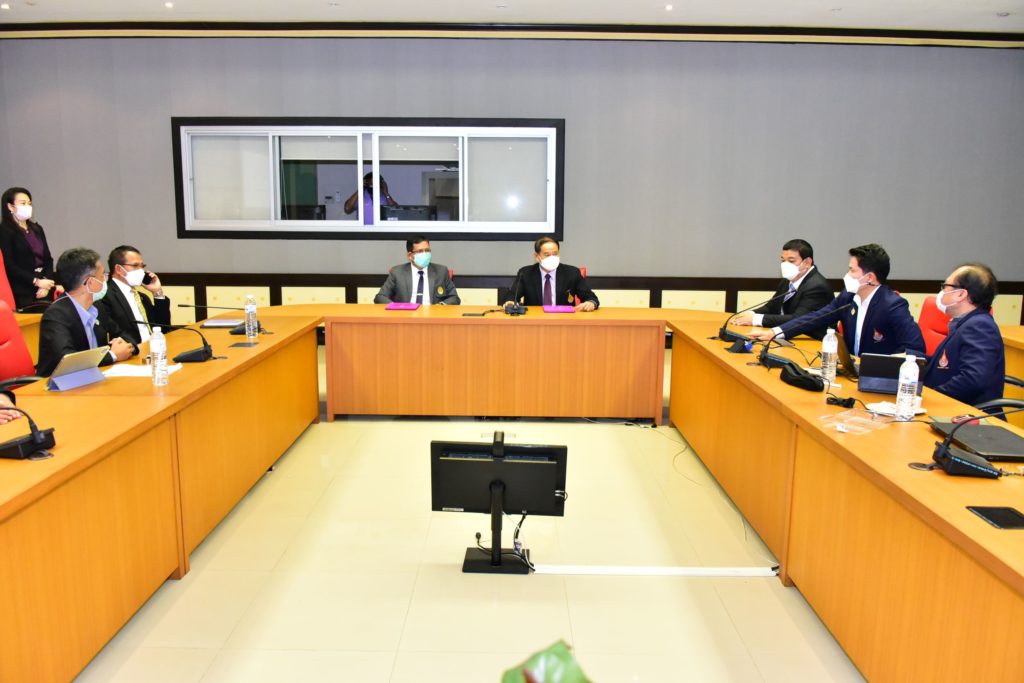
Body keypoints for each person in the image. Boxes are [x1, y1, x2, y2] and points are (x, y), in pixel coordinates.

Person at [750, 243, 925, 357]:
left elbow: (916, 349)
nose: (847, 275)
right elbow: (816, 317)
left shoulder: (892, 305)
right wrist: (776, 332)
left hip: (877, 379)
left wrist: (883, 365)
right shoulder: (848, 296)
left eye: (852, 271)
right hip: (850, 370)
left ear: (870, 277)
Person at [36, 248, 137, 376]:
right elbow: (68, 360)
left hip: (94, 378)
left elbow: (124, 334)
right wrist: (112, 355)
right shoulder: (56, 315)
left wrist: (128, 346)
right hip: (59, 384)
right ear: (90, 282)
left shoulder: (97, 307)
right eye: (102, 276)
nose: (105, 280)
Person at [921, 263, 1005, 407]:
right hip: (950, 407)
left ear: (961, 294)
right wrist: (910, 360)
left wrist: (932, 397)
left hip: (967, 414)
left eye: (945, 286)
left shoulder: (979, 326)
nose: (942, 292)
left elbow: (972, 380)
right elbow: (948, 363)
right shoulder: (966, 323)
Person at [732, 238, 834, 339]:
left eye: (791, 261)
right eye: (783, 260)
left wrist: (756, 319)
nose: (785, 265)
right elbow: (770, 307)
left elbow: (798, 319)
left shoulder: (817, 286)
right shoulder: (788, 279)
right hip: (789, 336)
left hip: (813, 341)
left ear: (807, 262)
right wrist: (750, 314)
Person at [95, 245, 172, 346]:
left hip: (153, 349)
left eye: (142, 266)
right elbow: (112, 333)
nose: (141, 271)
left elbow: (164, 328)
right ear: (118, 269)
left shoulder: (142, 297)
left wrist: (157, 292)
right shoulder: (104, 297)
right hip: (131, 351)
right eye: (135, 265)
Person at [0, 186, 57, 310]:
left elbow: (48, 259)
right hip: (23, 289)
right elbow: (9, 265)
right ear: (10, 207)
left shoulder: (37, 229)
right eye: (23, 203)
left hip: (44, 287)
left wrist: (46, 284)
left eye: (29, 203)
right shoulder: (4, 231)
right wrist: (36, 281)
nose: (27, 206)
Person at [506, 236, 599, 312]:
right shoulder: (526, 273)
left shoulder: (572, 273)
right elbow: (512, 296)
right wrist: (510, 302)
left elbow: (591, 297)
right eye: (547, 255)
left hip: (564, 321)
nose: (552, 258)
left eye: (555, 254)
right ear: (537, 257)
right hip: (535, 321)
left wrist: (591, 303)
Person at [374, 235, 460, 305]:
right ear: (410, 256)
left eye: (427, 250)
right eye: (420, 251)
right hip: (406, 316)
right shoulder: (397, 272)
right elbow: (380, 297)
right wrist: (397, 307)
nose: (425, 254)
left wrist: (441, 306)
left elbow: (454, 298)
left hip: (432, 316)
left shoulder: (441, 271)